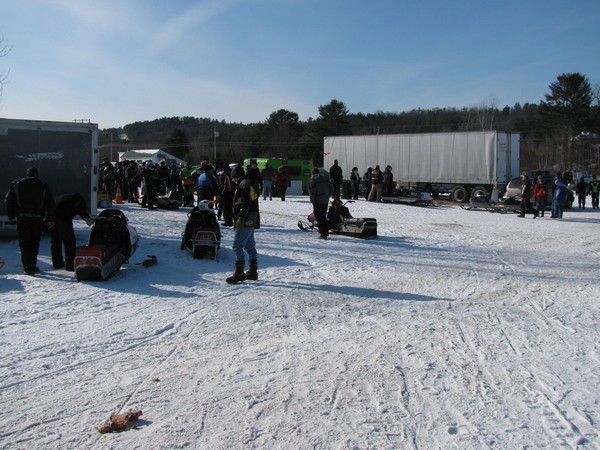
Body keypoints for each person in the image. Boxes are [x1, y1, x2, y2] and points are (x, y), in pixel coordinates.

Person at [4, 167, 56, 275]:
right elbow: (50, 201)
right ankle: (32, 265)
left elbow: (9, 200)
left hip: (22, 218)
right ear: (37, 175)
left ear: (26, 174)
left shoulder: (16, 183)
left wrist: (10, 216)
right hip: (37, 218)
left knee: (24, 243)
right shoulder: (42, 184)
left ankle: (27, 267)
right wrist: (50, 218)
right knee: (34, 242)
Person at [226, 165, 260, 284]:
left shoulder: (244, 184)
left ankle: (240, 273)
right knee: (249, 246)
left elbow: (246, 202)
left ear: (236, 176)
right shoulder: (246, 183)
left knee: (237, 246)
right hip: (251, 218)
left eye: (233, 177)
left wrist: (241, 217)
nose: (232, 180)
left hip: (246, 219)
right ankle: (252, 271)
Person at [51, 193, 94, 271]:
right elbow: (80, 207)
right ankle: (70, 265)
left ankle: (57, 263)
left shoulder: (64, 198)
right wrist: (87, 218)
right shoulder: (79, 199)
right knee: (69, 242)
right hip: (64, 218)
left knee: (56, 242)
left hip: (53, 218)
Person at [309, 167, 333, 239]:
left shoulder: (313, 180)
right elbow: (331, 188)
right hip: (325, 201)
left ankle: (323, 233)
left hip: (317, 201)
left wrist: (312, 200)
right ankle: (325, 231)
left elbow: (312, 192)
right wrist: (328, 195)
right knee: (323, 216)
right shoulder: (325, 179)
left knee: (319, 217)